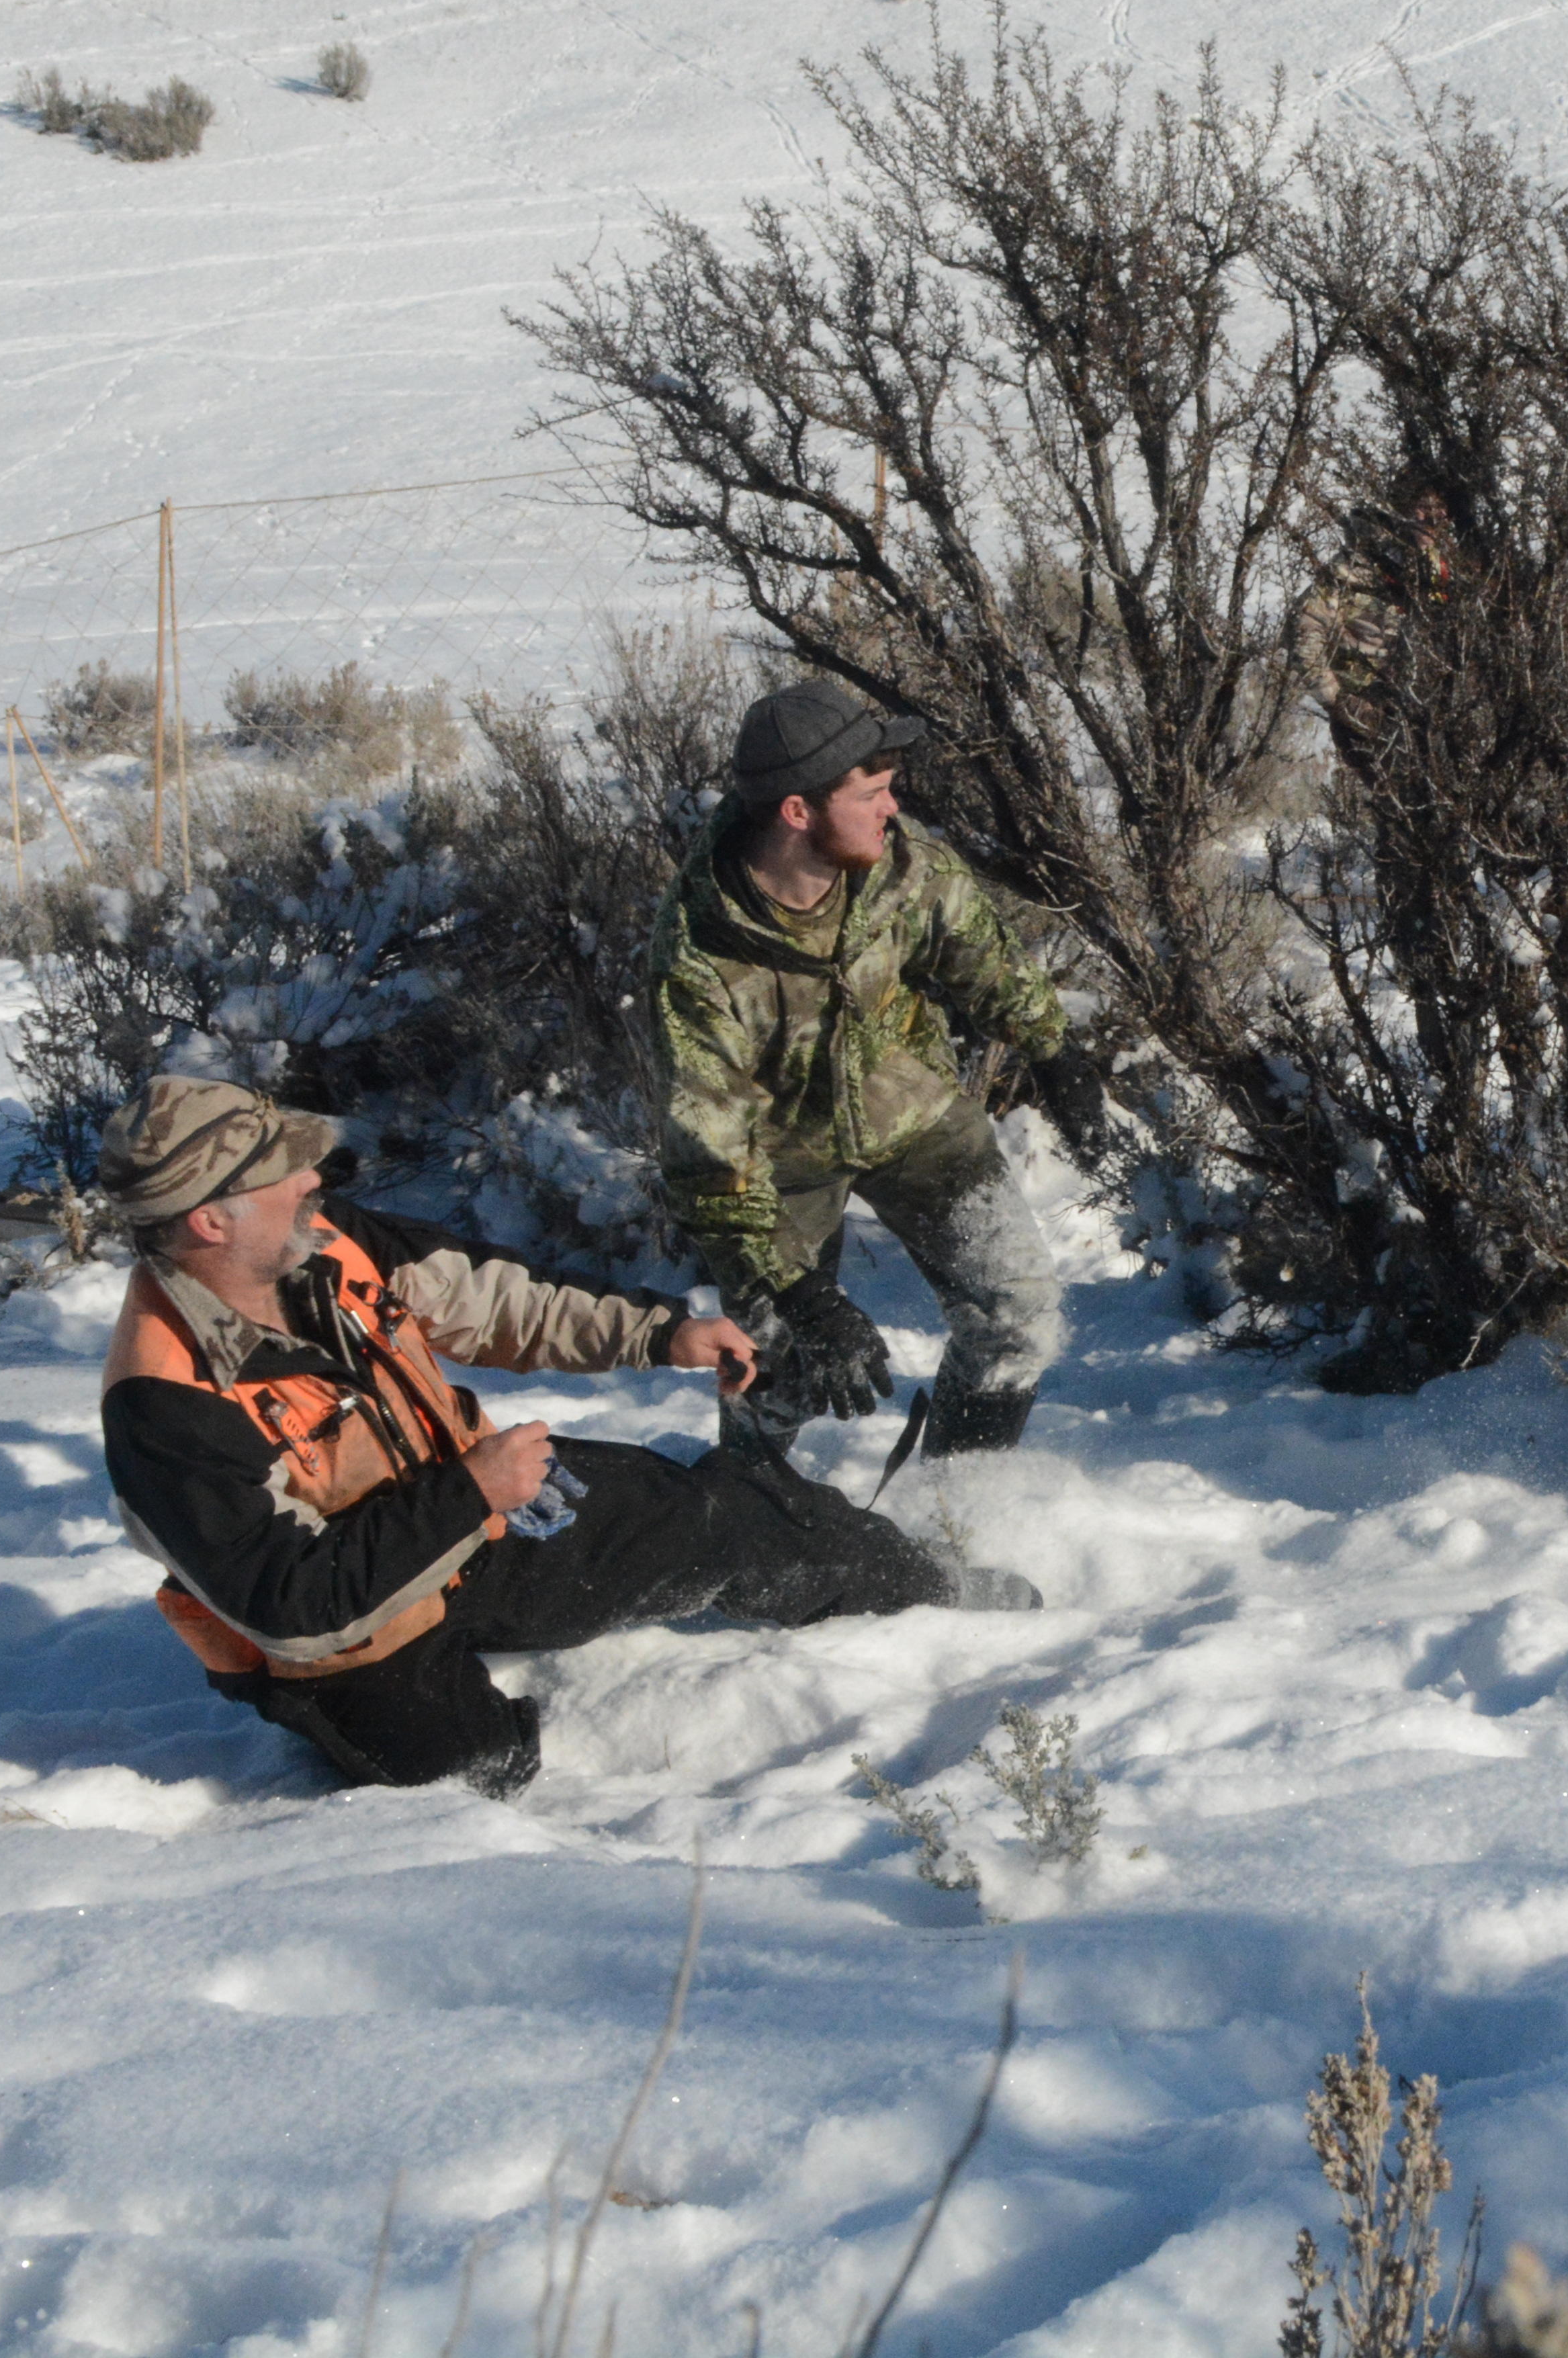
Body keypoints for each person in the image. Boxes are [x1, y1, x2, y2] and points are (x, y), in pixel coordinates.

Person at [94, 1077, 982, 1797]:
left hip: (480, 1515)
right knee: (463, 1773)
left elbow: (488, 1298)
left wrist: (659, 1333)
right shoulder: (162, 1404)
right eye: (283, 1172)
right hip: (355, 1630)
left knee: (719, 1521)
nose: (312, 1181)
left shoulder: (324, 1242)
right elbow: (292, 1604)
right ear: (210, 1220)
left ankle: (944, 1596)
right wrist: (469, 1492)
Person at [648, 675, 1108, 1467]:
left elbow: (976, 951)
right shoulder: (698, 959)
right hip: (774, 1170)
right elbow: (715, 1155)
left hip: (914, 1115)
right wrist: (802, 1294)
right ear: (799, 812)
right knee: (774, 1371)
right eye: (874, 792)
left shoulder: (898, 864)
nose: (893, 808)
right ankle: (755, 1543)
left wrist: (1054, 1049)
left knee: (1018, 1315)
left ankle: (959, 1515)